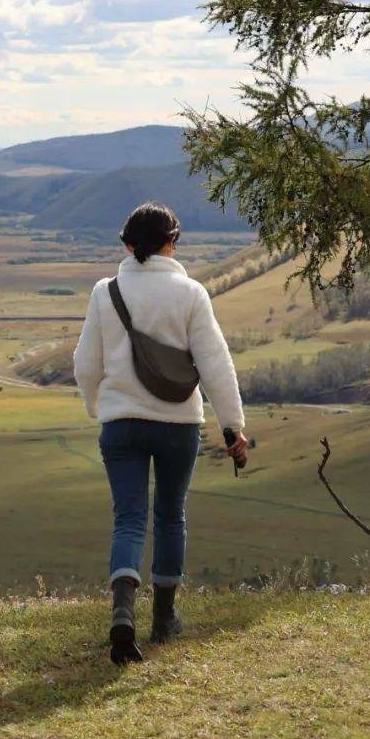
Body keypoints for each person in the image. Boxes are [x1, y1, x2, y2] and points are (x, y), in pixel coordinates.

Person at [73, 201, 250, 663]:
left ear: (129, 246)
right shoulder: (191, 293)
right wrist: (233, 427)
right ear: (172, 242)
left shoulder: (104, 292)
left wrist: (98, 406)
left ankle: (123, 611)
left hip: (121, 424)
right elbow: (215, 364)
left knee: (128, 519)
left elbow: (85, 363)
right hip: (178, 424)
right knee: (170, 516)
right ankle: (165, 619)